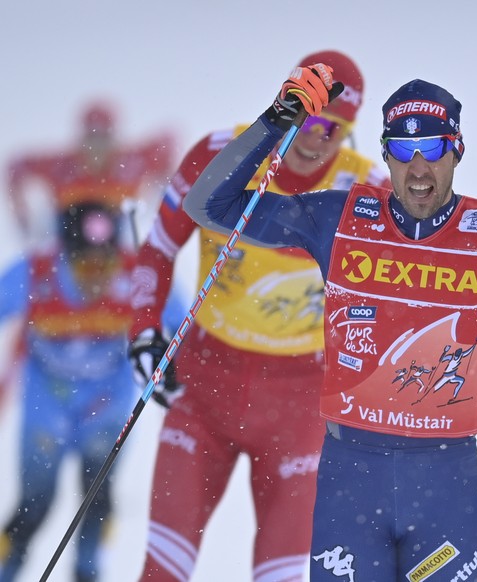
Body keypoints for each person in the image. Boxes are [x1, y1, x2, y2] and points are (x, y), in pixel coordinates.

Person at [183, 63, 477, 581]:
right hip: (352, 478)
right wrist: (277, 121)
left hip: (445, 482)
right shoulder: (338, 217)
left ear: (457, 151)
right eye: (401, 150)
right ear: (385, 153)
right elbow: (208, 205)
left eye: (434, 148)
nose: (419, 167)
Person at [127, 50, 391, 581]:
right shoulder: (221, 153)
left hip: (299, 408)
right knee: (163, 570)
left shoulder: (368, 191)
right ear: (287, 103)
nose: (319, 138)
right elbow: (157, 247)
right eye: (311, 118)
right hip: (204, 389)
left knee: (282, 575)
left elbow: (397, 298)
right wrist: (143, 335)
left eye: (337, 130)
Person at [0, 202, 137, 582]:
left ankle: (88, 572)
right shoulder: (36, 272)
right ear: (65, 255)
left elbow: (182, 330)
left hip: (107, 410)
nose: (97, 276)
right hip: (47, 411)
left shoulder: (135, 272)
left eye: (105, 263)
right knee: (34, 505)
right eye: (85, 264)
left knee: (98, 500)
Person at [7, 100, 175, 240]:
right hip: (66, 244)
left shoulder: (133, 162)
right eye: (91, 138)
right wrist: (23, 216)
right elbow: (16, 166)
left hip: (119, 243)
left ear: (114, 138)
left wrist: (164, 198)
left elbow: (169, 141)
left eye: (103, 139)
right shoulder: (61, 167)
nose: (97, 147)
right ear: (81, 139)